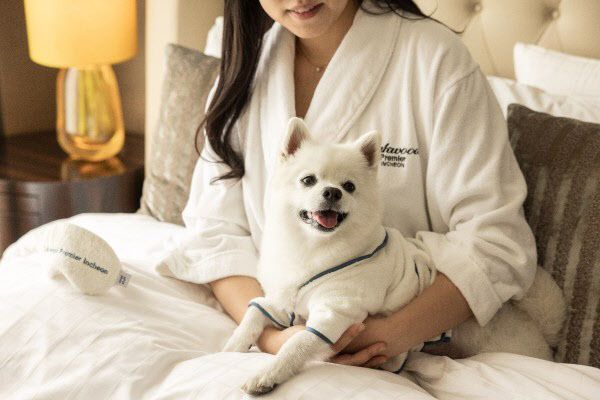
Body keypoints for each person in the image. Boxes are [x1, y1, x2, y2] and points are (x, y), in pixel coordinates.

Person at [165, 0, 537, 368]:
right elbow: (216, 233)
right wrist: (273, 337)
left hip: (407, 344)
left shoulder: (436, 59)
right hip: (282, 336)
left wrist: (386, 336)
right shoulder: (246, 69)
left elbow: (495, 242)